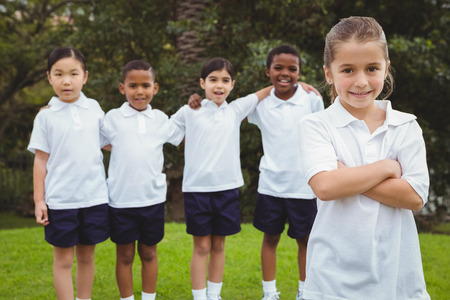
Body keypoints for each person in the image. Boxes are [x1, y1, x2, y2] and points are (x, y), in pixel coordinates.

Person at [299, 16, 430, 300]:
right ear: (329, 74)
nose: (361, 81)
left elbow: (414, 197)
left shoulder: (405, 126)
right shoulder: (316, 126)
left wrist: (347, 175)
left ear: (386, 69)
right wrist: (387, 167)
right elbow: (325, 187)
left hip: (396, 278)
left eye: (372, 68)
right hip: (331, 280)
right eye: (347, 70)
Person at [171, 57, 274, 300]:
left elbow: (265, 92)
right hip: (197, 190)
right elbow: (165, 133)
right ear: (202, 83)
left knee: (219, 246)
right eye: (213, 80)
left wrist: (300, 85)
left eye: (225, 80)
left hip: (227, 190)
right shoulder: (190, 111)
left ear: (233, 84)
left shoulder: (236, 110)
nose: (219, 85)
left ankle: (214, 295)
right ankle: (199, 296)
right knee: (202, 247)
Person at [28, 47, 109, 300]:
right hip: (60, 201)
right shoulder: (46, 117)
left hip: (94, 198)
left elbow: (109, 142)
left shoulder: (94, 108)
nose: (66, 80)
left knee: (87, 257)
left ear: (84, 76)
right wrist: (39, 201)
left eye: (73, 74)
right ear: (49, 77)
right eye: (59, 74)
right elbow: (41, 161)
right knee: (63, 260)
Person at [247, 45, 324, 300]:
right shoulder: (259, 104)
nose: (285, 73)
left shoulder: (311, 98)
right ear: (268, 70)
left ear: (300, 72)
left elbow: (323, 136)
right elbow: (229, 109)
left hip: (303, 186)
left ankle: (304, 292)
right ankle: (270, 293)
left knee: (306, 240)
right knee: (270, 239)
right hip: (270, 186)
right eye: (278, 68)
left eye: (292, 69)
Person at [103, 60, 183, 300]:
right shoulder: (112, 118)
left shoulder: (160, 119)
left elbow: (187, 133)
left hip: (152, 199)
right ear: (122, 88)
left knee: (149, 253)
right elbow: (92, 139)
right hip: (120, 201)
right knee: (125, 256)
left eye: (145, 85)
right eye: (133, 85)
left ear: (155, 88)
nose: (139, 91)